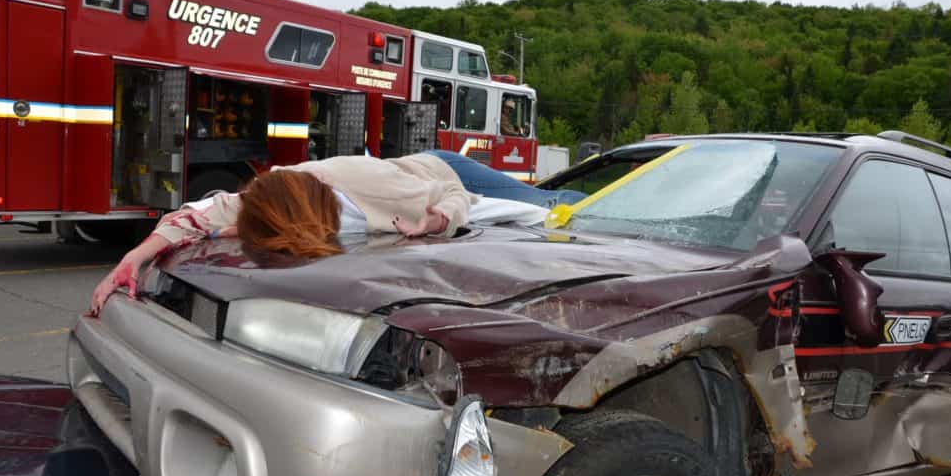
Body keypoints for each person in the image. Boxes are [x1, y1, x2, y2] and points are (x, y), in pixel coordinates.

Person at [90, 151, 586, 315]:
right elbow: (195, 215)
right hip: (411, 180)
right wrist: (132, 259)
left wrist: (432, 222)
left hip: (442, 170)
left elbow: (451, 195)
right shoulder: (265, 197)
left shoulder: (373, 188)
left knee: (552, 205)